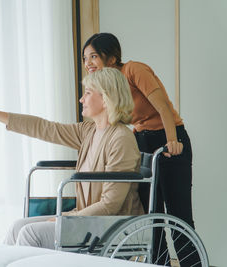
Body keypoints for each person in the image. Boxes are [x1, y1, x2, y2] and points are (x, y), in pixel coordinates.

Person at [0, 67, 144, 249]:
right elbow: (44, 128)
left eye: (87, 93)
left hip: (112, 226)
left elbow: (110, 204)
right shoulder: (89, 131)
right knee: (18, 227)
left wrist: (68, 218)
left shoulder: (121, 139)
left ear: (105, 98)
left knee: (30, 234)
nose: (81, 99)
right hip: (88, 220)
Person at [82, 33, 196, 265]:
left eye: (93, 56)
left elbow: (162, 105)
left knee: (178, 217)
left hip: (169, 137)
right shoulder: (107, 84)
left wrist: (172, 141)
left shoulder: (133, 70)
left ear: (112, 57)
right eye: (85, 58)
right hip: (142, 142)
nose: (88, 63)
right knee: (150, 216)